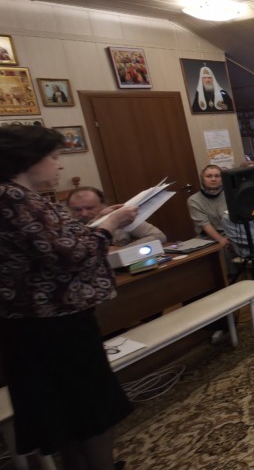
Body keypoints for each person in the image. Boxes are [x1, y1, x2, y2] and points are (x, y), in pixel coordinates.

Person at [0, 124, 139, 470]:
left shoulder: (25, 198)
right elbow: (70, 254)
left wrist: (103, 218)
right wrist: (110, 226)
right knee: (86, 409)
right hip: (50, 327)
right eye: (54, 157)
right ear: (28, 160)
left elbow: (58, 240)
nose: (59, 164)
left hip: (50, 323)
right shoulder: (12, 200)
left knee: (75, 414)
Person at [67, 186, 166, 247]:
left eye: (90, 208)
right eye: (77, 210)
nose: (84, 214)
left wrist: (121, 251)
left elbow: (159, 236)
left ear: (104, 205)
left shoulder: (121, 217)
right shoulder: (67, 229)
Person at [187, 165, 231, 246]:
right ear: (202, 179)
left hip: (232, 234)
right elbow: (205, 224)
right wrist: (220, 240)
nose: (213, 179)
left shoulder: (230, 194)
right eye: (209, 176)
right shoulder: (194, 200)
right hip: (209, 238)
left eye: (217, 176)